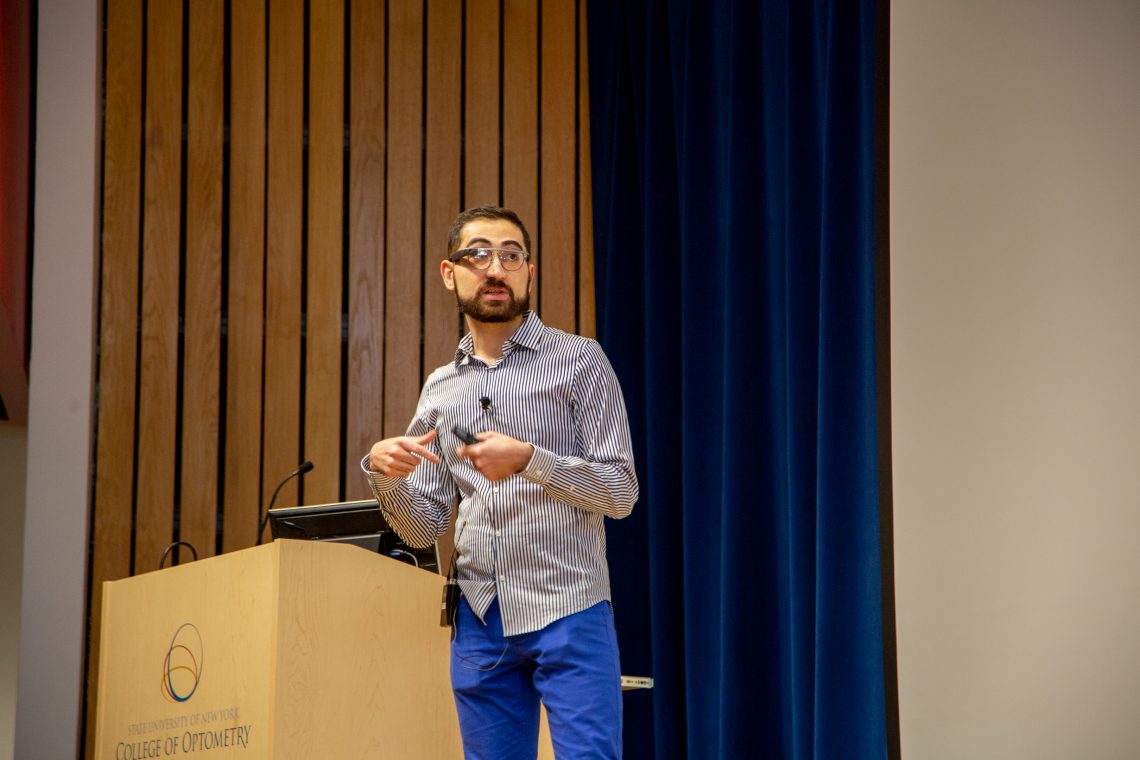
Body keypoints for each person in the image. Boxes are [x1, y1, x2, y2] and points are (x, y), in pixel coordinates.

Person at [363, 205, 638, 759]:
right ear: (450, 273)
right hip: (480, 616)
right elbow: (424, 529)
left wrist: (531, 459)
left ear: (529, 273)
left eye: (511, 256)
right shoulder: (440, 389)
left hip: (570, 607)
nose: (496, 269)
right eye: (479, 255)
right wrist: (385, 475)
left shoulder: (581, 361)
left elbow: (621, 492)